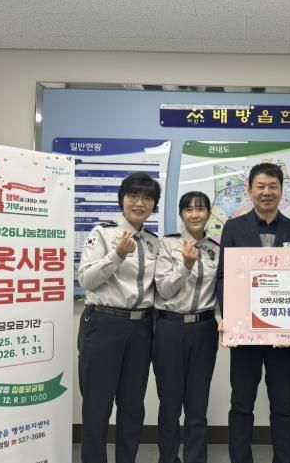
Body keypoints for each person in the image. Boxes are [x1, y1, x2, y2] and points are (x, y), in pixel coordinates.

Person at [216, 162, 290, 463]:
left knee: (282, 404)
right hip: (245, 333)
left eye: (273, 186)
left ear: (281, 190)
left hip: (283, 336)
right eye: (260, 186)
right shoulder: (234, 228)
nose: (266, 192)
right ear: (250, 190)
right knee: (241, 404)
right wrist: (230, 319)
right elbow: (223, 277)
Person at [77, 172, 161, 463]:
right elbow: (86, 280)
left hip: (142, 328)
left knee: (133, 406)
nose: (140, 203)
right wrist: (117, 255)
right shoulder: (102, 233)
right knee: (97, 407)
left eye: (147, 198)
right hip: (104, 324)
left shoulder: (153, 242)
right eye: (133, 196)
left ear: (154, 204)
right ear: (122, 199)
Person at [153, 191, 220, 463]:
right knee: (170, 404)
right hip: (170, 328)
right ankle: (168, 458)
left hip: (204, 329)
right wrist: (185, 266)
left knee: (198, 404)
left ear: (208, 213)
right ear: (181, 214)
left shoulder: (216, 249)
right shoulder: (167, 245)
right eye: (189, 209)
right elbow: (163, 289)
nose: (195, 214)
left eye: (200, 209)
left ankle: (195, 458)